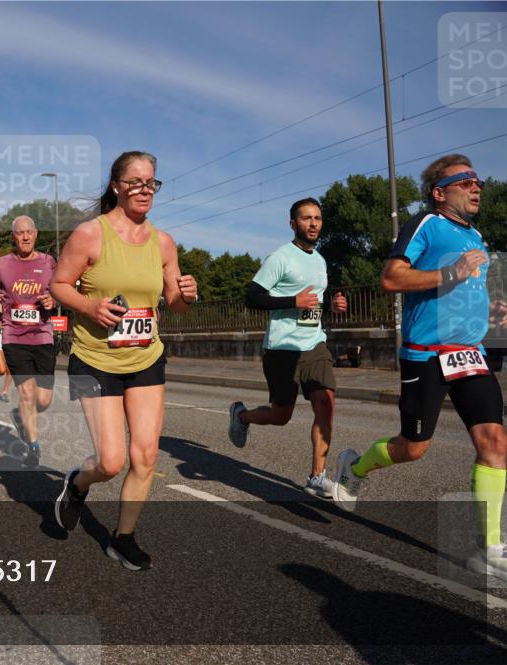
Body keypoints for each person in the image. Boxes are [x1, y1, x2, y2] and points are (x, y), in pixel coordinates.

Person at [332, 155, 506, 580]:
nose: (475, 187)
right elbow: (391, 278)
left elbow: (465, 289)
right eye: (465, 181)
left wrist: (493, 312)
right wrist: (450, 272)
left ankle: (491, 548)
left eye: (477, 180)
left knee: (495, 442)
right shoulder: (426, 224)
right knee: (414, 448)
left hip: (469, 353)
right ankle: (353, 468)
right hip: (426, 352)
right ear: (439, 193)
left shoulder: (478, 234)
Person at [49, 151, 197, 570]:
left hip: (146, 358)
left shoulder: (163, 242)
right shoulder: (89, 235)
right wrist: (89, 307)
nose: (145, 189)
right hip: (93, 360)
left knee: (146, 455)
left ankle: (123, 537)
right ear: (116, 186)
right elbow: (58, 285)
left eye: (152, 182)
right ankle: (77, 484)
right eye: (136, 181)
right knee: (111, 462)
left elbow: (175, 305)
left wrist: (186, 293)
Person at [227, 198, 348, 499]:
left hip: (313, 343)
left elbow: (313, 304)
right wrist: (292, 302)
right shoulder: (280, 257)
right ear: (293, 223)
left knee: (326, 402)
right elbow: (252, 297)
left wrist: (331, 307)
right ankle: (242, 416)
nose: (313, 224)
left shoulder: (320, 260)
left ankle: (317, 476)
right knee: (281, 415)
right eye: (306, 218)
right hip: (282, 347)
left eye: (317, 218)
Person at [0, 215, 58, 466]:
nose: (25, 237)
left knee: (43, 400)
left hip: (43, 335)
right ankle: (33, 446)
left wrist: (53, 300)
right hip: (13, 336)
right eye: (20, 233)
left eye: (29, 232)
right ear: (13, 236)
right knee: (26, 393)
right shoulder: (1, 264)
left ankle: (20, 416)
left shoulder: (49, 262)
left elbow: (60, 290)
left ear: (36, 234)